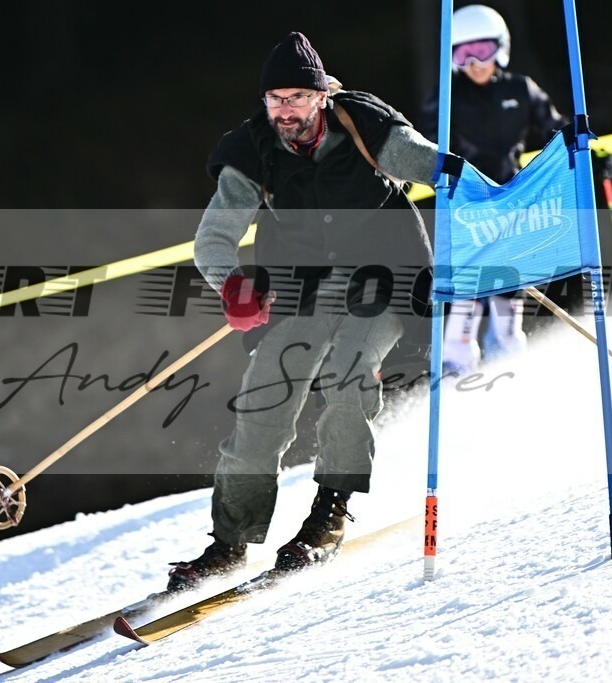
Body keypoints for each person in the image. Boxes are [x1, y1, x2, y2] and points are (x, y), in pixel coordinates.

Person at [167, 32, 440, 590]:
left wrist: (483, 198)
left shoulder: (367, 127)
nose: (284, 110)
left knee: (348, 374)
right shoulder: (253, 151)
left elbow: (437, 166)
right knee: (264, 393)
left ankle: (330, 513)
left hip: (383, 282)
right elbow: (213, 238)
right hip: (303, 290)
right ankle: (230, 540)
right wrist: (232, 284)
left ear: (321, 96)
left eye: (296, 97)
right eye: (275, 99)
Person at [415, 4, 566, 375]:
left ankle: (508, 355)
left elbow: (556, 128)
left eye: (481, 51)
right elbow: (426, 146)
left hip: (510, 200)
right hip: (466, 204)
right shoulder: (447, 97)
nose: (474, 63)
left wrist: (592, 155)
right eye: (462, 53)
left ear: (500, 48)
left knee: (506, 288)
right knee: (469, 288)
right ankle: (457, 362)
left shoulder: (520, 89)